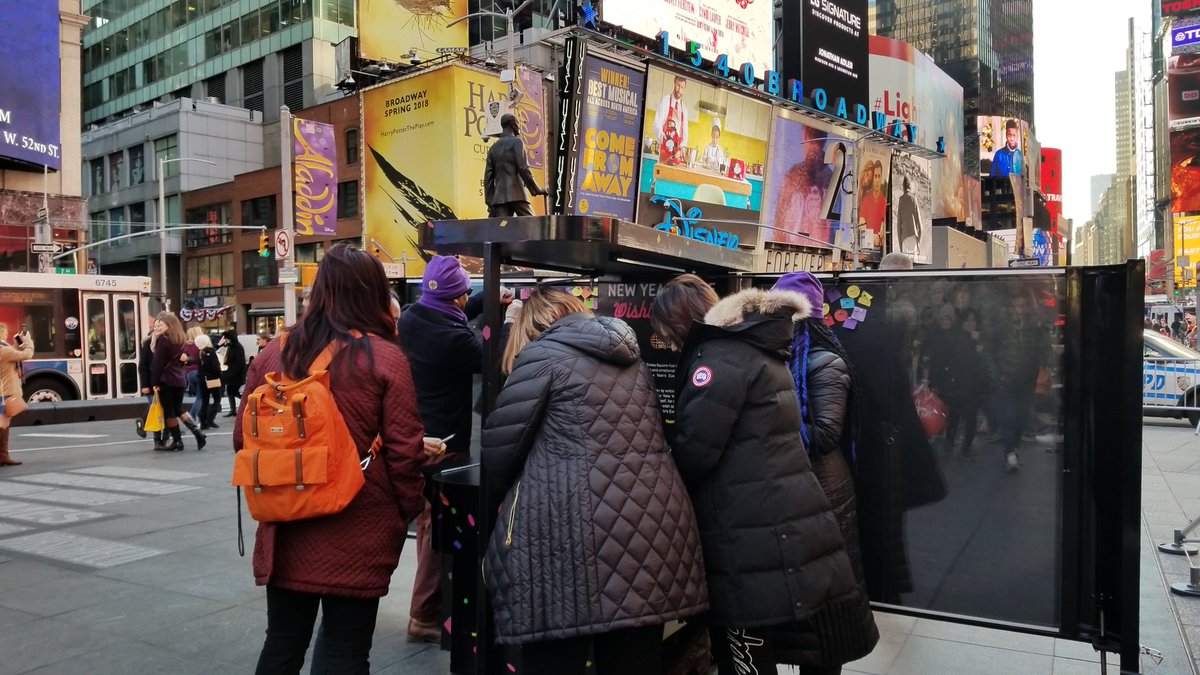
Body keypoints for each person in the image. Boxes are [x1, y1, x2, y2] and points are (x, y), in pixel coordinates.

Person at [483, 286, 708, 675]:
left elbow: (498, 451)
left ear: (533, 324)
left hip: (570, 533)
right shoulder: (633, 358)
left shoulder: (540, 355)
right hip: (651, 525)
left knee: (556, 650)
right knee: (633, 657)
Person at [234, 242, 429, 674]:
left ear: (319, 291)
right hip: (360, 523)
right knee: (346, 649)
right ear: (374, 294)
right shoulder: (385, 358)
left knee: (282, 645)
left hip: (286, 521)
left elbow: (240, 439)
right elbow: (405, 451)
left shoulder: (274, 353)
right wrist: (404, 511)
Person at [650, 275, 858, 674]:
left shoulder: (716, 360)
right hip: (773, 516)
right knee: (758, 645)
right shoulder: (753, 349)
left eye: (665, 333)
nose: (667, 343)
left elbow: (697, 450)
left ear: (680, 322)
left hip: (746, 528)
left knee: (744, 651)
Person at [767, 273, 879, 673]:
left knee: (825, 617)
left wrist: (765, 425)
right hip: (796, 491)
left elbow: (826, 434)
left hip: (825, 496)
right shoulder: (780, 357)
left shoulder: (825, 361)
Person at [395, 255, 490, 643]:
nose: (468, 299)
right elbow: (487, 356)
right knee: (437, 533)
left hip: (418, 439)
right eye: (465, 294)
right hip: (444, 448)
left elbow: (463, 306)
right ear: (455, 300)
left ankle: (427, 610)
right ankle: (424, 615)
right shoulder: (454, 338)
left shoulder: (411, 319)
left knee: (427, 526)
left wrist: (487, 295)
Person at [151, 312, 205, 451]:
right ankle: (197, 433)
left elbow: (157, 363)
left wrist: (154, 382)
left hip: (166, 380)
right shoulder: (180, 339)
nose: (159, 328)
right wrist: (185, 359)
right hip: (180, 379)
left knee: (169, 411)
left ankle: (177, 441)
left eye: (161, 325)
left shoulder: (163, 340)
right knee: (178, 409)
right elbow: (189, 359)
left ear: (169, 325)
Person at [483, 113, 547, 217]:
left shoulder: (493, 149)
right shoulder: (517, 142)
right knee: (531, 225)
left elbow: (488, 178)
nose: (519, 127)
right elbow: (523, 168)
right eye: (518, 123)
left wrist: (490, 201)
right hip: (517, 194)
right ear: (512, 124)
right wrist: (536, 189)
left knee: (502, 230)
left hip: (499, 199)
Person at [0, 323, 33, 466]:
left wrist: (16, 344)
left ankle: (3, 456)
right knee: (2, 425)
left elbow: (11, 353)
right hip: (5, 392)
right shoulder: (3, 351)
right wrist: (28, 342)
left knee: (4, 425)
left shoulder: (4, 350)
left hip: (2, 391)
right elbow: (27, 354)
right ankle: (3, 456)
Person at [653, 74, 690, 160]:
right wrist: (665, 141)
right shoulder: (665, 101)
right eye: (678, 85)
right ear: (674, 82)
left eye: (682, 87)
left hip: (677, 156)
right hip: (664, 153)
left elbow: (685, 135)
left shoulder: (684, 110)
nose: (679, 90)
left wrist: (680, 149)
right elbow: (656, 125)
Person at [194, 334, 223, 430]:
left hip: (201, 379)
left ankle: (203, 422)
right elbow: (216, 367)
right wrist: (220, 375)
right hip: (212, 379)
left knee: (205, 401)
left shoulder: (199, 352)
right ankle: (210, 419)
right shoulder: (211, 352)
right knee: (217, 399)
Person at [858, 160, 887, 247]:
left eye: (879, 176)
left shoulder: (885, 200)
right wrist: (871, 237)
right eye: (875, 177)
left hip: (879, 248)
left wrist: (878, 236)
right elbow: (861, 223)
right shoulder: (866, 199)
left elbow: (884, 226)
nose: (877, 180)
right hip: (866, 245)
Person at [220, 330, 247, 417]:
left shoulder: (237, 347)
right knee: (231, 391)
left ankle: (246, 403)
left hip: (236, 374)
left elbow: (239, 363)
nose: (226, 340)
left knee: (233, 391)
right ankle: (233, 409)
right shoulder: (232, 346)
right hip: (232, 373)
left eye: (227, 338)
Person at [895, 176, 921, 257]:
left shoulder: (901, 200)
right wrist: (918, 243)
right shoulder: (914, 198)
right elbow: (920, 227)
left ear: (903, 186)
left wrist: (900, 246)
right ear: (910, 186)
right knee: (913, 267)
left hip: (904, 240)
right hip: (913, 239)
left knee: (905, 267)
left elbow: (899, 226)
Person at [184, 326, 204, 422]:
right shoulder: (199, 346)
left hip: (188, 374)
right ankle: (192, 416)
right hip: (198, 372)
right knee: (201, 397)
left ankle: (199, 416)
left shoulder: (185, 346)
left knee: (198, 396)